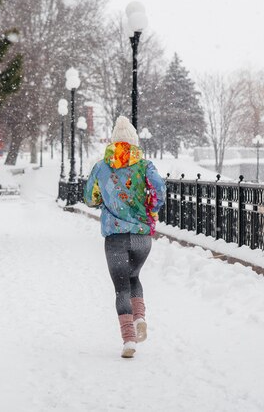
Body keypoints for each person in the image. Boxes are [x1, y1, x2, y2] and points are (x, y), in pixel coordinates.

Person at [83, 116, 166, 359]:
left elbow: (90, 198)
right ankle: (140, 316)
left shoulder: (101, 167)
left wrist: (105, 200)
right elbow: (159, 190)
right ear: (134, 142)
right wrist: (150, 208)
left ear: (113, 142)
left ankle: (129, 339)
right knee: (134, 276)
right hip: (141, 235)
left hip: (115, 236)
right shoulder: (145, 165)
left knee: (121, 288)